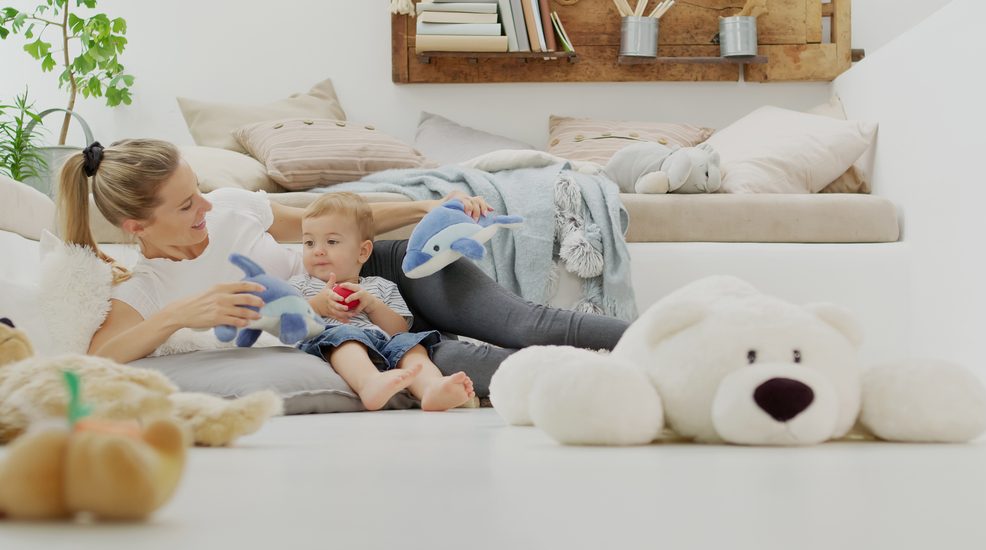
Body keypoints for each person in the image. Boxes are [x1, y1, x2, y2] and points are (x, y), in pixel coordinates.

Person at [59, 139, 629, 396]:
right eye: (186, 206)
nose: (207, 206)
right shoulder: (151, 286)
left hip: (380, 267)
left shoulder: (231, 205)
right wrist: (181, 314)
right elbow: (92, 360)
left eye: (198, 192)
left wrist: (424, 207)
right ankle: (636, 384)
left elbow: (325, 221)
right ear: (137, 226)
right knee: (483, 364)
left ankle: (672, 333)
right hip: (349, 328)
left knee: (526, 324)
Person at [289, 192, 474, 411]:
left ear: (363, 251)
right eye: (309, 243)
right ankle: (369, 384)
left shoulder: (379, 286)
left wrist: (373, 305)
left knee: (412, 346)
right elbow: (288, 324)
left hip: (383, 346)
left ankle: (431, 388)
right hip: (334, 344)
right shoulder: (300, 285)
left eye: (331, 241)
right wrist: (317, 306)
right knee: (346, 338)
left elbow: (399, 329)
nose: (318, 250)